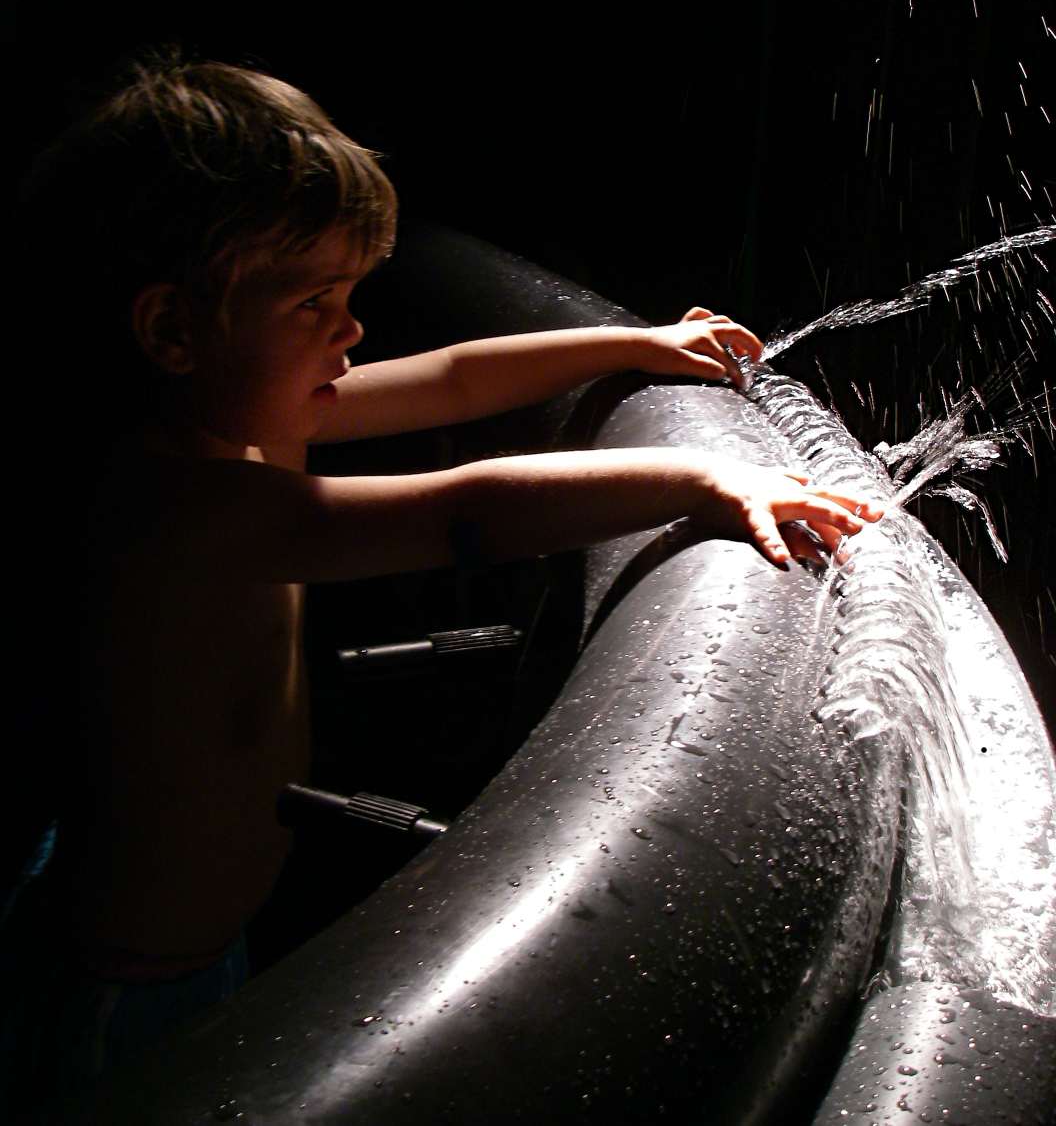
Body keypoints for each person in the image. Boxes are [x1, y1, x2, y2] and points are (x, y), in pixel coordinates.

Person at [5, 54, 884, 1111]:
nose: (352, 329)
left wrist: (640, 343)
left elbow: (454, 379)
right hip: (120, 982)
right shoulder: (170, 509)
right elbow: (461, 511)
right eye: (315, 302)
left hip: (201, 941)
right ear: (171, 331)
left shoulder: (242, 421)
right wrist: (699, 475)